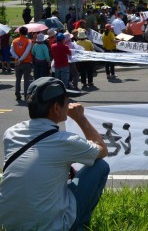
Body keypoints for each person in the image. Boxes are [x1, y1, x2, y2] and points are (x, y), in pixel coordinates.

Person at [0, 77, 109, 230]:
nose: (70, 105)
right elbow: (102, 150)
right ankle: (79, 226)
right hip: (48, 227)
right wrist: (80, 118)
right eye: (67, 101)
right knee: (100, 166)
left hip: (9, 224)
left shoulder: (11, 133)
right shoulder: (66, 141)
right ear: (57, 109)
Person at [11, 26, 33, 102]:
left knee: (18, 80)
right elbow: (27, 52)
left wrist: (17, 58)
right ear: (27, 32)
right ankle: (26, 95)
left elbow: (12, 51)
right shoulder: (28, 41)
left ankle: (17, 94)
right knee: (26, 80)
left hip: (17, 62)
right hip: (26, 62)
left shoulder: (15, 41)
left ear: (19, 32)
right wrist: (21, 59)